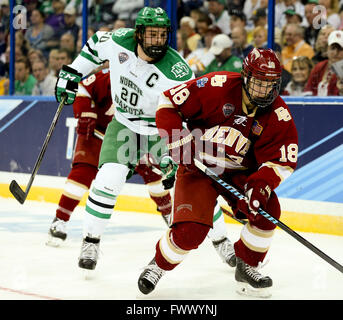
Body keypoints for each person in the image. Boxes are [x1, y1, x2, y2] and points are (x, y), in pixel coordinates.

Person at [54, 7, 236, 271]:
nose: (158, 41)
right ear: (138, 34)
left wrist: (184, 147)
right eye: (152, 35)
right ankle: (91, 240)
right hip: (124, 125)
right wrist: (73, 70)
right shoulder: (118, 41)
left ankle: (221, 240)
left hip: (163, 130)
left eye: (163, 35)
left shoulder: (177, 72)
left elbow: (191, 112)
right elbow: (94, 45)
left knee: (191, 188)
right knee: (108, 179)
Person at [138, 48, 298, 298]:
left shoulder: (278, 114)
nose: (263, 91)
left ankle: (247, 266)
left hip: (240, 172)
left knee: (267, 212)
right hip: (197, 167)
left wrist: (260, 186)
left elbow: (280, 162)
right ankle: (157, 265)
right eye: (258, 83)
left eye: (270, 85)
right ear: (245, 76)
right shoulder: (216, 85)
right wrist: (177, 140)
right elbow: (167, 102)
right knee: (190, 233)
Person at [46, 69, 174, 246]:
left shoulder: (150, 78)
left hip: (131, 136)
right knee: (82, 173)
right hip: (97, 133)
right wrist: (85, 112)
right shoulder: (108, 75)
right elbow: (82, 88)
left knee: (153, 175)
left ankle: (170, 215)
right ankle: (60, 220)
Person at [304, 30, 343, 96]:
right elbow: (308, 91)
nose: (335, 53)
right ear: (327, 49)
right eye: (332, 48)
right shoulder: (319, 67)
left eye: (340, 49)